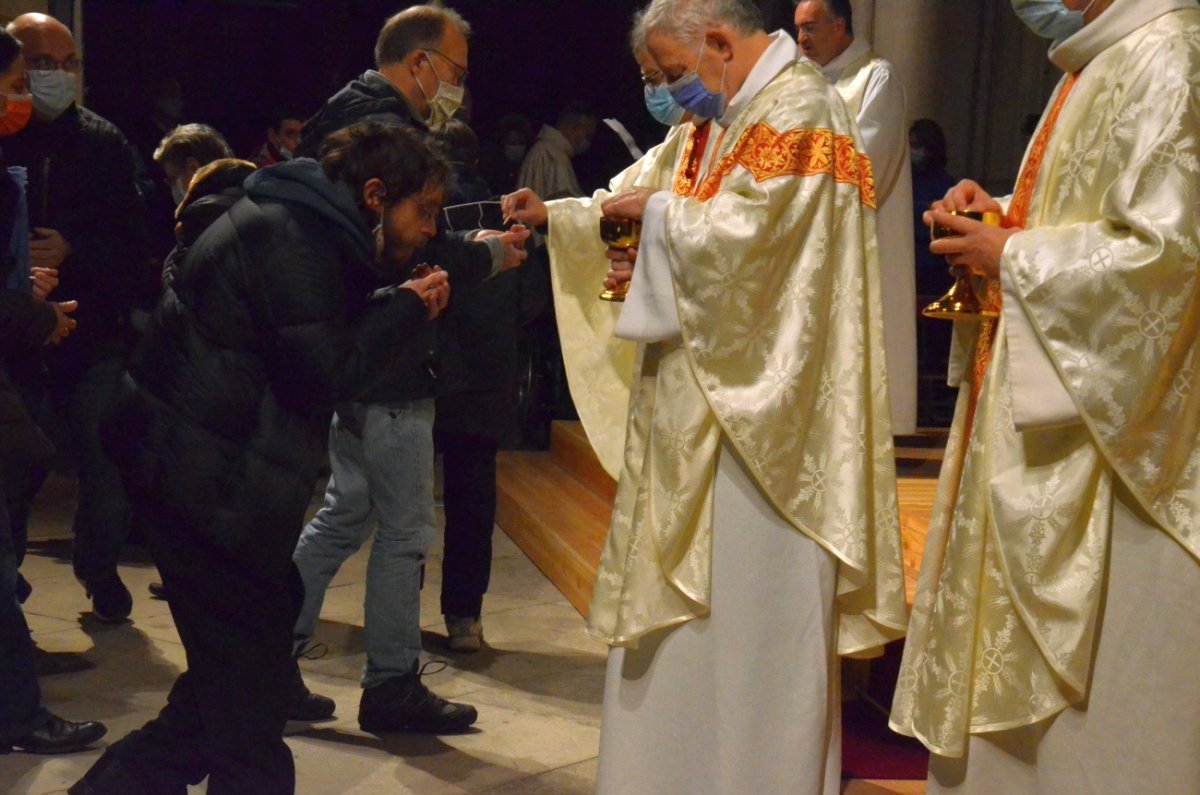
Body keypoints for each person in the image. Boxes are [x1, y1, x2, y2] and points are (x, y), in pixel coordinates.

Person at [504, 1, 907, 791]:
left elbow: (758, 250)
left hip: (767, 434)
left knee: (751, 630)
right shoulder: (720, 118)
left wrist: (657, 223)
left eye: (668, 75)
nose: (666, 93)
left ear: (719, 43)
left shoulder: (801, 112)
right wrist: (554, 217)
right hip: (698, 420)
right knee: (686, 639)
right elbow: (639, 192)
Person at [70, 121, 453, 795]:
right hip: (199, 488)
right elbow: (324, 372)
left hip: (217, 484)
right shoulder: (289, 237)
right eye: (421, 211)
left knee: (227, 688)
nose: (428, 229)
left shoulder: (308, 226)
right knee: (248, 724)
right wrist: (405, 310)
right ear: (373, 194)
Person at [890, 1, 1200, 792]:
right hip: (1048, 405)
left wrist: (1013, 253)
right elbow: (1088, 214)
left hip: (1114, 449)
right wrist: (1000, 216)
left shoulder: (1170, 53)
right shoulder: (1100, 56)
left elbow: (1168, 260)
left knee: (1097, 718)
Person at [289, 3, 528, 733]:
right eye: (453, 71)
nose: (456, 85)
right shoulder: (382, 129)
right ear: (419, 62)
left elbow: (400, 232)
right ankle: (390, 684)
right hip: (385, 352)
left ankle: (264, 648)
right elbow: (405, 247)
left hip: (362, 349)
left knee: (344, 513)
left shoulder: (347, 115)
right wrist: (487, 252)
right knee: (404, 528)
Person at [5, 13, 148, 624]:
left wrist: (75, 251)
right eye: (40, 65)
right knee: (18, 471)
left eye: (68, 65)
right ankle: (10, 602)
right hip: (15, 342)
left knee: (106, 457)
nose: (56, 77)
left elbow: (137, 243)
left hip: (90, 339)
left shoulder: (102, 142)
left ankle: (98, 567)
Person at [0, 25, 103, 757]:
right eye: (17, 82)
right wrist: (33, 312)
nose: (26, 98)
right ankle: (17, 713)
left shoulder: (96, 143)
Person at [793, 0, 918, 435]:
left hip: (857, 231)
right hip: (804, 233)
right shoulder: (799, 81)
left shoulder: (875, 77)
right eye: (798, 30)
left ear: (840, 25)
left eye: (810, 28)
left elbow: (867, 160)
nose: (801, 39)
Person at [516, 101, 598, 201]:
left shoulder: (542, 148)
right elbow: (566, 206)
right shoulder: (555, 157)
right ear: (575, 128)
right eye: (588, 135)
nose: (588, 141)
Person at [152, 123, 235, 208]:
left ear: (193, 167)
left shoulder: (201, 216)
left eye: (172, 179)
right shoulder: (245, 189)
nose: (172, 189)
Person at [479, 113, 532, 195]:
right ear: (502, 143)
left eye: (521, 143)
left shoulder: (529, 168)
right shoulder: (493, 170)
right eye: (512, 143)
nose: (517, 147)